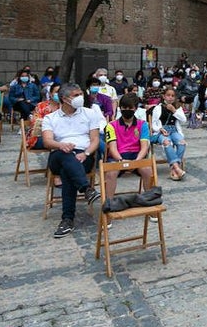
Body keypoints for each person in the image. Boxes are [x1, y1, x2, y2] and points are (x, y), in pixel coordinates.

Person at [41, 83, 105, 238]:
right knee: (64, 156)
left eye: (80, 94)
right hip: (59, 154)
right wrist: (61, 145)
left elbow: (95, 140)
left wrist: (87, 153)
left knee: (67, 172)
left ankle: (67, 219)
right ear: (64, 99)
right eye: (76, 95)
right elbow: (47, 141)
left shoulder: (89, 114)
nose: (80, 98)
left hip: (84, 156)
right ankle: (86, 188)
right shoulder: (51, 118)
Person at [103, 93, 153, 198]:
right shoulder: (111, 126)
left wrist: (137, 161)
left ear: (135, 109)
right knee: (111, 173)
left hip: (137, 156)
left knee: (148, 170)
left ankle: (150, 200)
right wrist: (121, 160)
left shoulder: (143, 125)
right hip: (117, 157)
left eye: (130, 108)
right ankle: (109, 203)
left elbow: (144, 147)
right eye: (124, 107)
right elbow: (112, 148)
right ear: (120, 108)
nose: (126, 110)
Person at [149, 86, 187, 181]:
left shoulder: (178, 108)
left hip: (174, 130)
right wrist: (160, 129)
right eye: (168, 95)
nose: (170, 97)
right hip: (162, 131)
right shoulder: (158, 108)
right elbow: (153, 124)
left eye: (172, 96)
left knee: (182, 142)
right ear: (164, 96)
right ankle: (177, 168)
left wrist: (174, 111)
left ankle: (174, 169)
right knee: (167, 142)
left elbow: (184, 120)